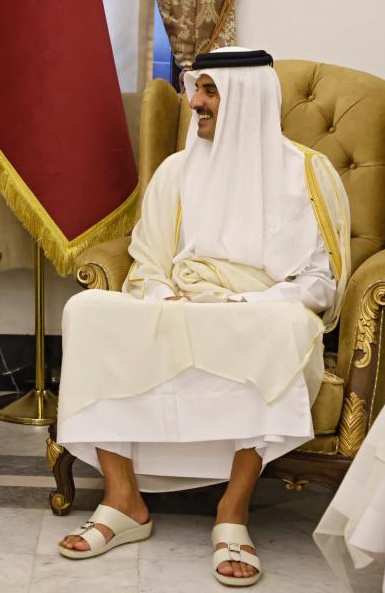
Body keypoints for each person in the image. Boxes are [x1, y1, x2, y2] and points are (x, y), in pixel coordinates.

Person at [55, 48, 350, 586]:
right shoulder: (177, 170)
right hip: (182, 304)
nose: (195, 103)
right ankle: (124, 502)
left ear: (248, 97)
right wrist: (164, 296)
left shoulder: (308, 174)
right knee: (86, 311)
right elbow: (147, 260)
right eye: (196, 90)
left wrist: (245, 304)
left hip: (258, 313)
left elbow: (319, 282)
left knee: (286, 329)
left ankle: (232, 512)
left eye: (210, 92)